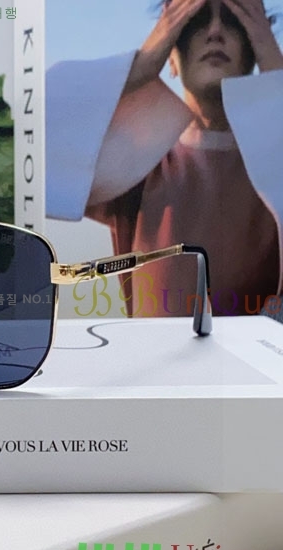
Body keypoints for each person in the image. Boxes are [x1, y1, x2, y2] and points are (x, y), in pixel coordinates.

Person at [46, 0, 283, 318]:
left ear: (254, 47)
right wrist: (140, 66)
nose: (215, 31)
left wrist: (274, 71)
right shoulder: (140, 161)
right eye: (194, 20)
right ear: (171, 53)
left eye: (234, 20)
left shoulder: (273, 166)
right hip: (154, 351)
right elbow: (24, 146)